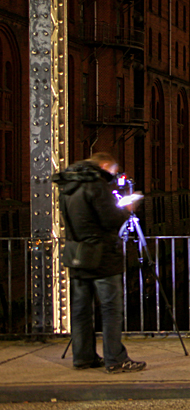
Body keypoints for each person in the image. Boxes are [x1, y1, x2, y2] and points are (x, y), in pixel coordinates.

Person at [53, 152, 146, 374]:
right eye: (113, 172)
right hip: (102, 256)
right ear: (104, 166)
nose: (114, 177)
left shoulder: (67, 187)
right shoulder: (97, 185)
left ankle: (83, 357)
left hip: (76, 254)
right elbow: (109, 219)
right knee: (110, 309)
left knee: (81, 310)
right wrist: (127, 210)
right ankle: (115, 359)